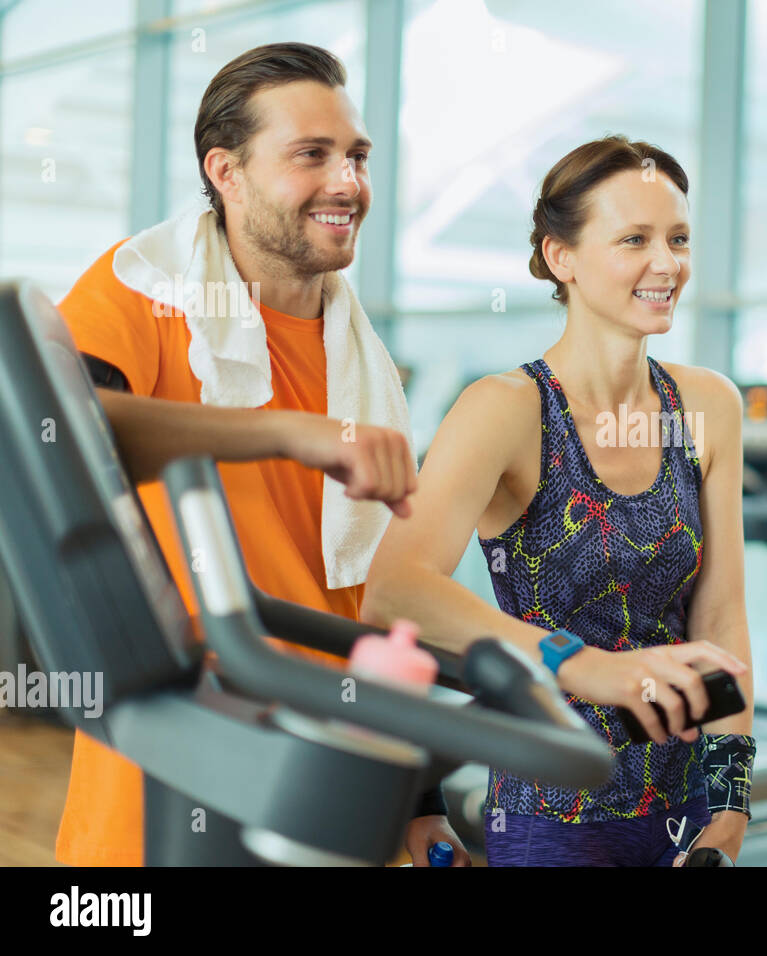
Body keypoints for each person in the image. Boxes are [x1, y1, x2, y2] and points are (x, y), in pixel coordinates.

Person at [54, 42, 468, 867]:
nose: (347, 182)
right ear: (226, 171)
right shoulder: (144, 290)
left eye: (356, 156)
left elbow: (378, 598)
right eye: (311, 155)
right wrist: (286, 431)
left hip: (333, 763)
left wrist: (421, 797)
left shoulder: (364, 359)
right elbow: (64, 435)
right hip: (175, 765)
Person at [363, 135, 754, 866]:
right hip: (552, 813)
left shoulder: (707, 405)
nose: (667, 264)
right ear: (562, 257)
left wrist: (731, 801)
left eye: (678, 238)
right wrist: (575, 663)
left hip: (686, 806)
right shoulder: (505, 410)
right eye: (634, 239)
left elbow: (722, 614)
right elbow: (395, 591)